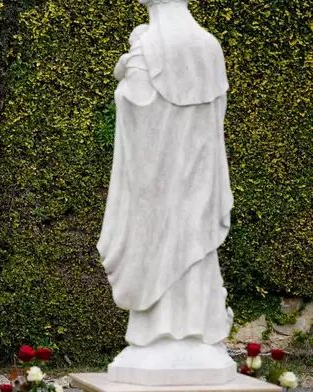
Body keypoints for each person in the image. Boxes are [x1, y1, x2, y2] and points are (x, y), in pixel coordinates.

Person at [97, 0, 235, 384]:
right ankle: (197, 331)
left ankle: (157, 333)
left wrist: (123, 75)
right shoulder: (209, 46)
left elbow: (135, 107)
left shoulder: (149, 45)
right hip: (199, 179)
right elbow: (217, 116)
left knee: (159, 247)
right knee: (194, 252)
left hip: (157, 185)